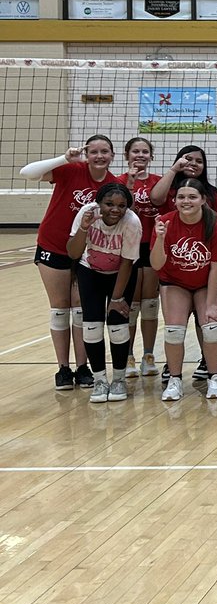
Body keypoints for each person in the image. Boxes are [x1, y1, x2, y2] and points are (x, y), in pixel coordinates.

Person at [21, 135, 119, 390]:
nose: (99, 156)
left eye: (105, 151)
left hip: (86, 252)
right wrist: (63, 158)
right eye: (94, 151)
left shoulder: (112, 185)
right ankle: (63, 369)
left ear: (112, 155)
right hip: (53, 246)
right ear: (86, 153)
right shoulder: (71, 170)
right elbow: (27, 173)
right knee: (59, 309)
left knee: (81, 310)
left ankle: (82, 367)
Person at [151, 178, 217, 402]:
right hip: (174, 281)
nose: (187, 201)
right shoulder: (165, 222)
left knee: (212, 327)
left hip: (206, 281)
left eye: (192, 197)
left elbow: (216, 268)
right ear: (174, 201)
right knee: (174, 330)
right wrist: (160, 239)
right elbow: (156, 265)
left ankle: (214, 378)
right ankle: (175, 379)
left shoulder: (216, 224)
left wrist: (213, 304)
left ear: (203, 200)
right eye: (181, 197)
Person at [66, 184, 142, 403]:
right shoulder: (87, 213)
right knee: (91, 326)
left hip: (121, 273)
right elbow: (73, 252)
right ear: (99, 203)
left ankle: (118, 379)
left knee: (118, 324)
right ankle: (99, 380)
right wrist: (83, 228)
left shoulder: (132, 223)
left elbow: (128, 262)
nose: (115, 210)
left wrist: (116, 299)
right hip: (90, 271)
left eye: (121, 206)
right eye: (109, 204)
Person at [117, 136, 163, 377]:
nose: (141, 155)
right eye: (136, 151)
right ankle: (127, 356)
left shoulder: (158, 182)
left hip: (151, 247)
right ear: (127, 155)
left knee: (150, 304)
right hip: (128, 248)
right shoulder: (118, 181)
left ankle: (148, 355)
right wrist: (131, 186)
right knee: (131, 304)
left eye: (145, 151)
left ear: (151, 156)